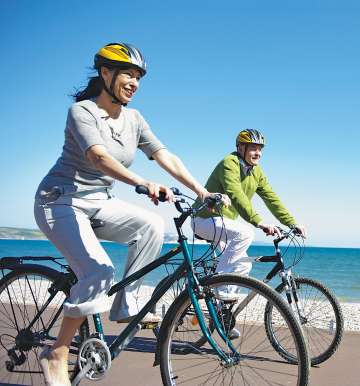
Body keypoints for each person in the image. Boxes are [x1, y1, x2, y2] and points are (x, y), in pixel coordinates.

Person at [34, 42, 229, 386]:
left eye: (139, 77)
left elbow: (165, 155)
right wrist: (142, 182)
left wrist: (202, 192)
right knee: (98, 270)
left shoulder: (134, 119)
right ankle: (57, 351)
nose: (134, 82)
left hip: (99, 201)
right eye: (128, 74)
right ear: (106, 74)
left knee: (152, 225)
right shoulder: (83, 112)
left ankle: (126, 306)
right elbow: (98, 157)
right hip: (60, 200)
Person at [192, 128, 306, 298]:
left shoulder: (256, 172)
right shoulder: (229, 163)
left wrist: (292, 223)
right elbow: (235, 193)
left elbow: (271, 198)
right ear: (240, 148)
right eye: (253, 148)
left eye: (260, 149)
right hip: (204, 219)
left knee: (244, 265)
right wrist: (259, 222)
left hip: (223, 225)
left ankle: (223, 309)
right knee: (245, 233)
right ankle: (218, 289)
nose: (258, 153)